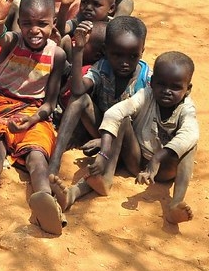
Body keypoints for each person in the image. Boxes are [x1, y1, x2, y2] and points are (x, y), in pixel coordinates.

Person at [52, 52, 197, 226]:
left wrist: (157, 159)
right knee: (122, 121)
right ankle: (75, 193)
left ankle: (175, 203)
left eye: (175, 87)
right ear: (151, 82)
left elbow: (190, 133)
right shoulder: (146, 94)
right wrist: (104, 152)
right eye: (161, 84)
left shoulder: (186, 108)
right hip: (135, 159)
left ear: (187, 89)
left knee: (190, 145)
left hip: (165, 169)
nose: (166, 91)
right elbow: (115, 113)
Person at [0, 0, 68, 235]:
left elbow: (50, 103)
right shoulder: (14, 40)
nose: (34, 30)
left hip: (33, 112)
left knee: (37, 158)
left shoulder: (56, 55)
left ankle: (45, 201)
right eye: (26, 23)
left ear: (53, 23)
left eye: (42, 24)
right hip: (0, 105)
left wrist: (31, 121)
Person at [49, 15, 150, 173]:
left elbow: (145, 130)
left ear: (141, 52)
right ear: (105, 51)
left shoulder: (146, 80)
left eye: (133, 56)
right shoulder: (102, 67)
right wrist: (79, 51)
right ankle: (54, 162)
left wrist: (103, 141)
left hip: (131, 146)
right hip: (103, 131)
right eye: (117, 55)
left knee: (124, 120)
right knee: (79, 99)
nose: (125, 62)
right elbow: (77, 89)